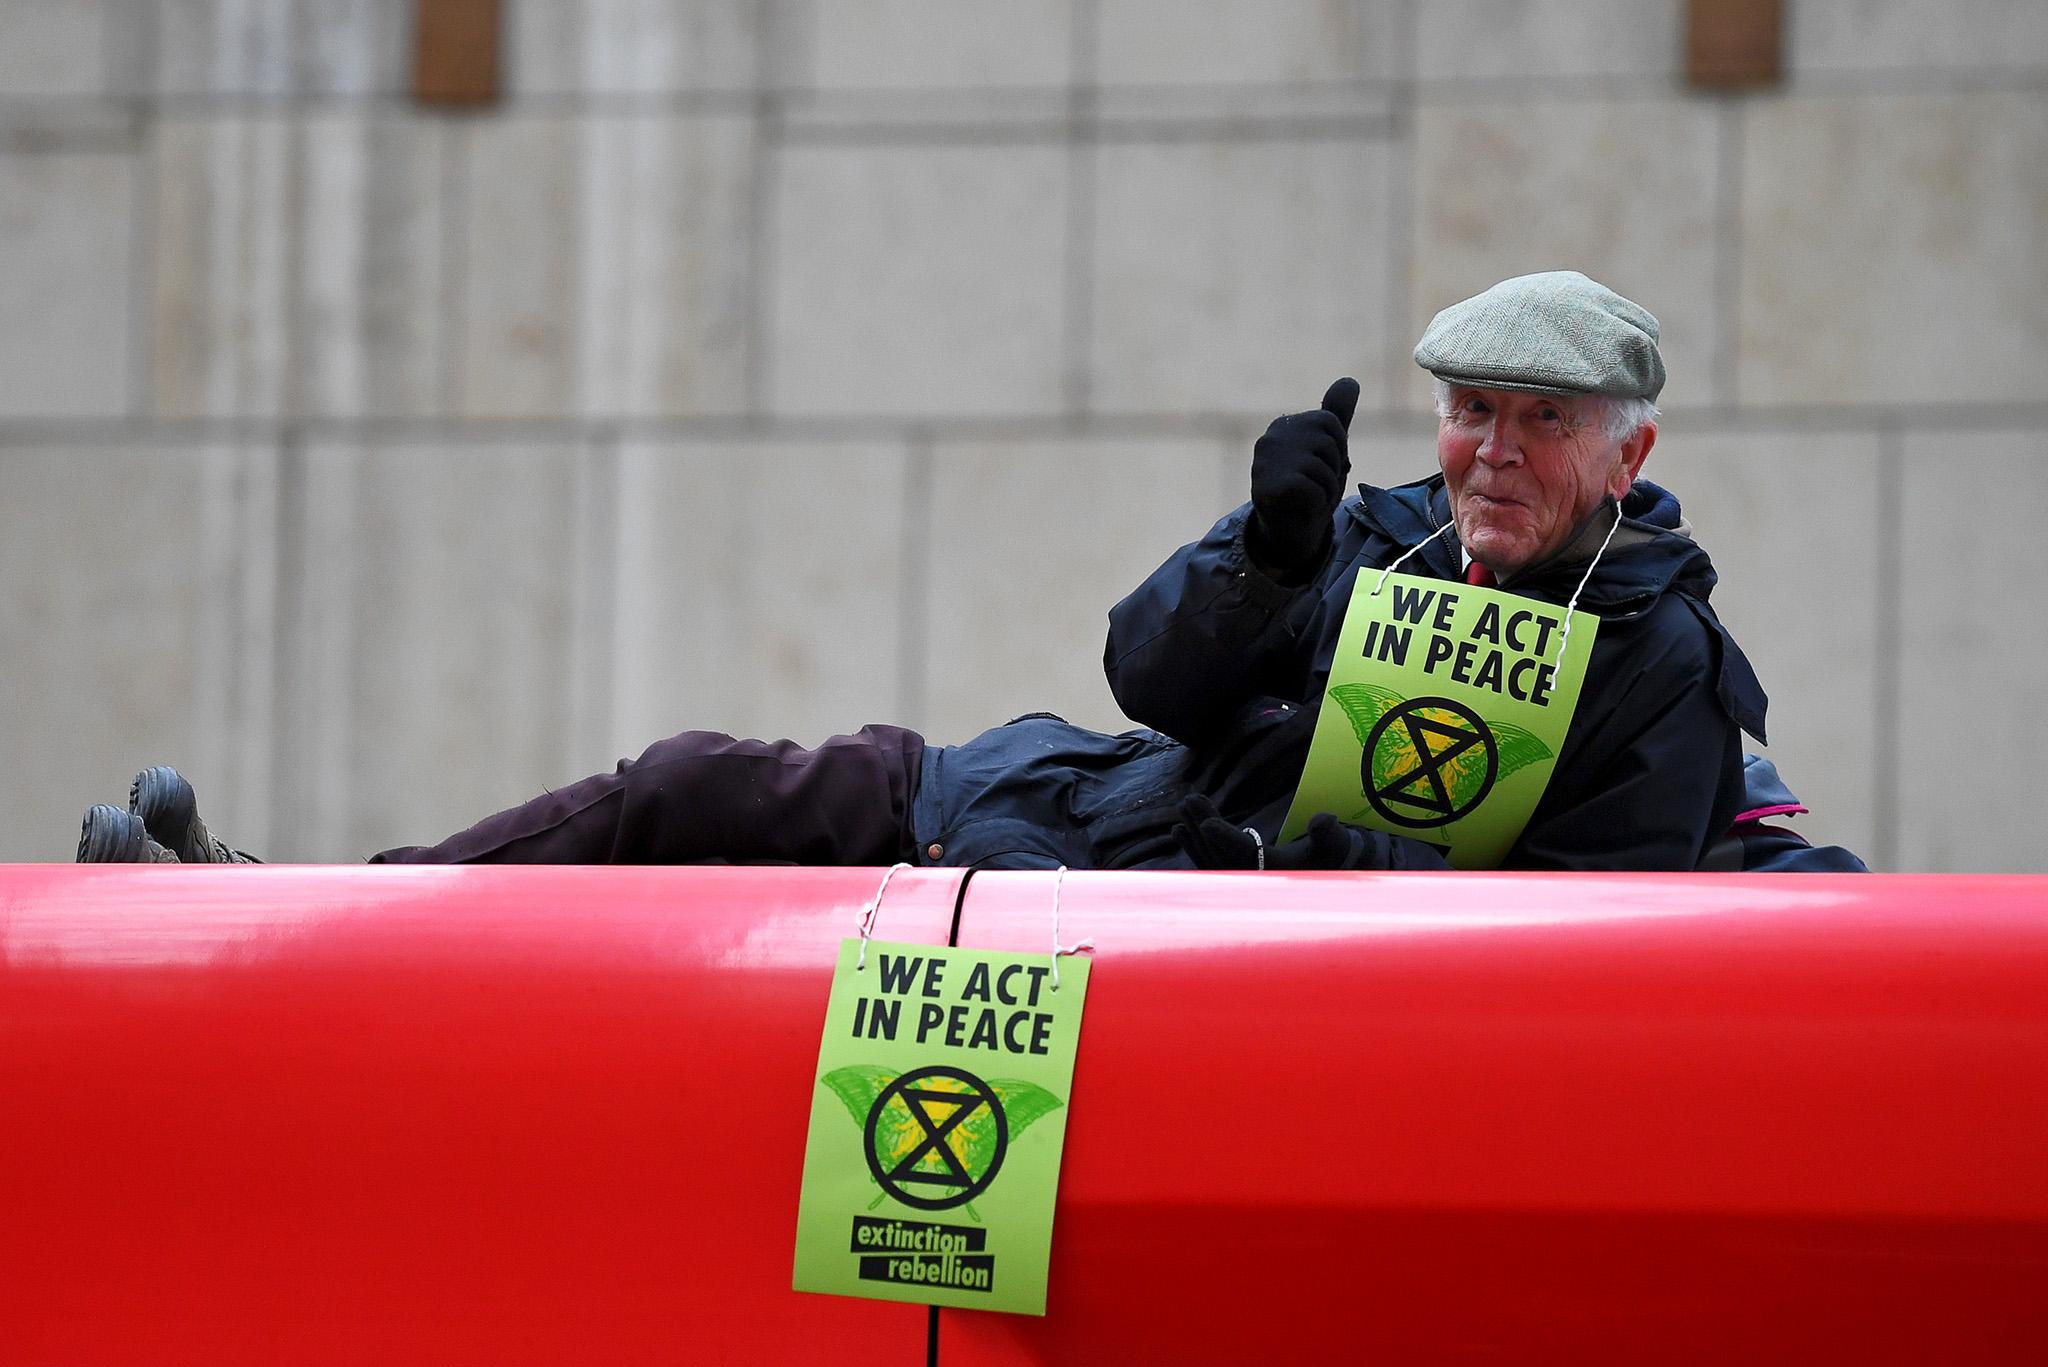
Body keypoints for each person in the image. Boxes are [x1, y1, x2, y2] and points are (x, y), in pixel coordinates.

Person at [76, 271, 1864, 873]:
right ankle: (295, 905)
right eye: (1469, 409)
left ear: (1628, 453)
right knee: (692, 787)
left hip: (1181, 965)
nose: (1486, 451)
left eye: (1537, 421)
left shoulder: (1667, 670)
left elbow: (1582, 953)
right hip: (1054, 810)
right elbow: (1145, 677)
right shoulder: (1372, 529)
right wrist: (1268, 552)